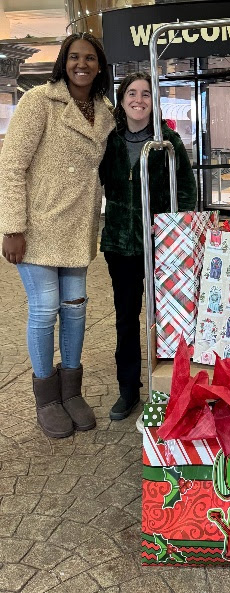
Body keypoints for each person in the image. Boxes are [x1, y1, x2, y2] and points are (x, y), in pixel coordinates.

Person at [0, 33, 115, 439]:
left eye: (89, 58)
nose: (80, 64)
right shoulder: (39, 102)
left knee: (76, 308)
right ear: (63, 62)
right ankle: (47, 398)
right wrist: (12, 228)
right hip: (36, 227)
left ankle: (71, 392)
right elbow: (12, 166)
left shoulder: (104, 111)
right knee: (45, 308)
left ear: (99, 66)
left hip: (78, 226)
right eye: (73, 57)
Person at [100, 72, 196, 421]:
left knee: (170, 318)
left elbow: (185, 191)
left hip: (161, 246)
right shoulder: (108, 140)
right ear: (122, 98)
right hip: (119, 245)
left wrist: (179, 239)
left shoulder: (167, 142)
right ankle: (129, 390)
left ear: (154, 102)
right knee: (127, 320)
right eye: (131, 93)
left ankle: (173, 386)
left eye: (145, 93)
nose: (138, 99)